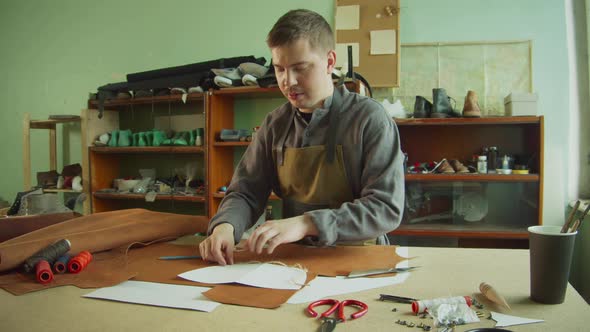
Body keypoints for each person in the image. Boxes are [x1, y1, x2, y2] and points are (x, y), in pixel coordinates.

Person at [199, 9, 405, 265]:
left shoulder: (369, 119)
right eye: (280, 69)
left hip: (360, 259)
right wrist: (226, 226)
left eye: (300, 68)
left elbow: (385, 208)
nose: (288, 81)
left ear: (330, 62)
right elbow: (246, 192)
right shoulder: (275, 124)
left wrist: (308, 223)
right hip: (295, 260)